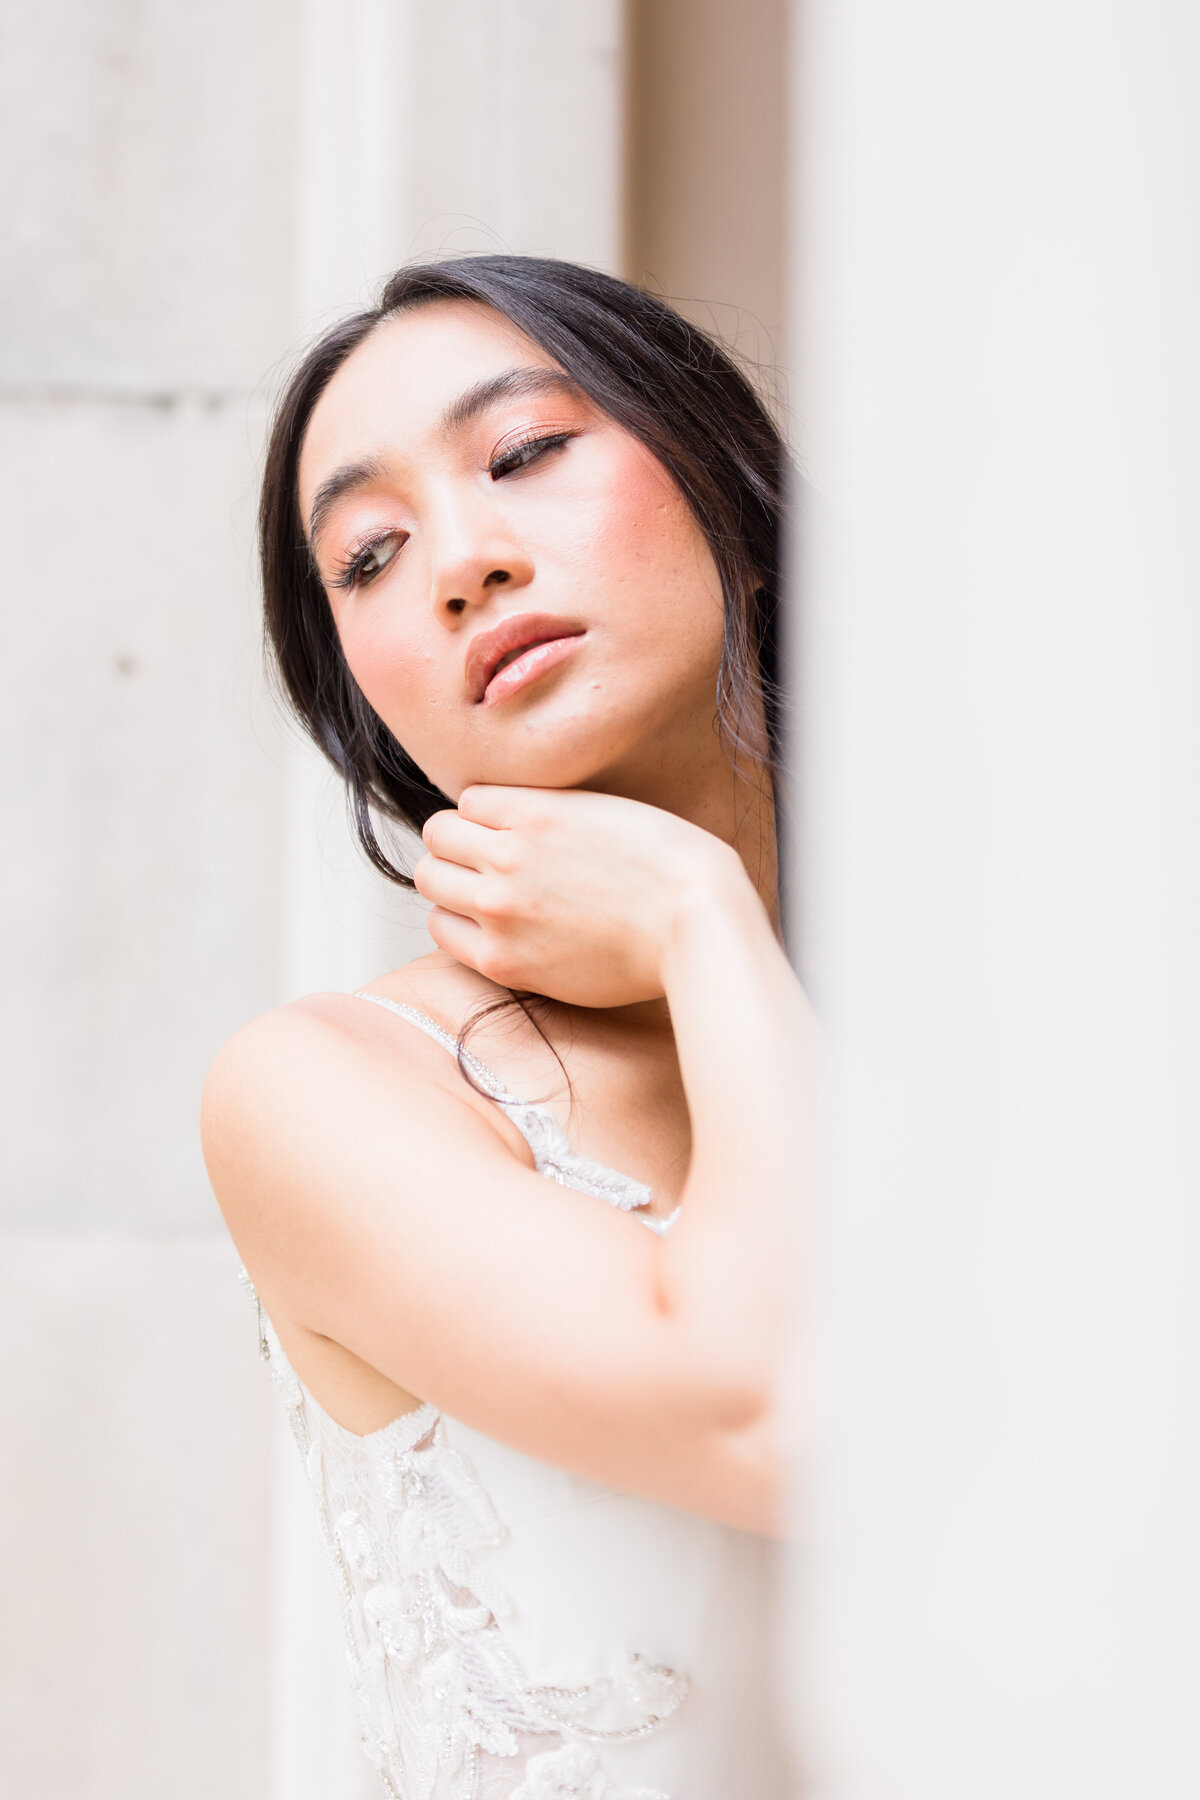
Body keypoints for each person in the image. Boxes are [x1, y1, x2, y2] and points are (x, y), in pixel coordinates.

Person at [202, 256, 811, 1800]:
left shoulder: (1023, 1028)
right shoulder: (323, 1092)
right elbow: (782, 1410)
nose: (463, 563)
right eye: (373, 554)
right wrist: (692, 913)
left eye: (527, 454)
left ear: (723, 482)